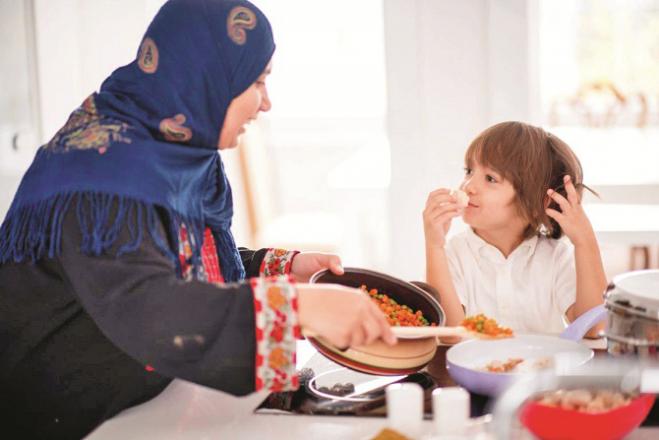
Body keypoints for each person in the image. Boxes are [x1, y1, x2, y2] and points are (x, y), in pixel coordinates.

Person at [0, 1, 396, 438]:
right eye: (258, 82)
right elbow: (152, 308)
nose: (266, 103)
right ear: (208, 79)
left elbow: (177, 261)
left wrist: (282, 268)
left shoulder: (172, 146)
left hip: (137, 403)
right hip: (63, 419)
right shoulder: (102, 175)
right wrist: (299, 308)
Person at [423, 121, 606, 335]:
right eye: (469, 171)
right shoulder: (455, 253)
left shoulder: (556, 257)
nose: (468, 186)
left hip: (543, 367)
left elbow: (592, 328)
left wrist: (585, 242)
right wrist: (434, 246)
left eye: (491, 178)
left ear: (539, 202)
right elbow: (449, 334)